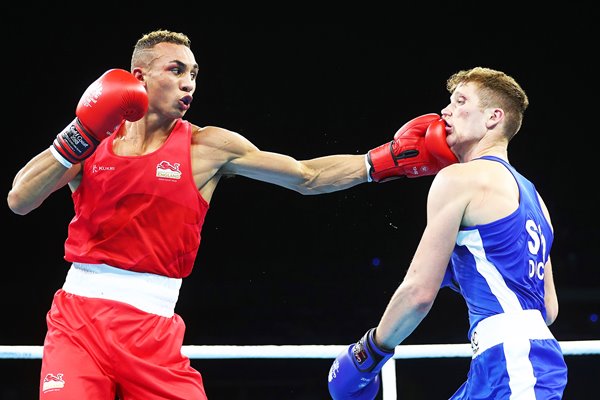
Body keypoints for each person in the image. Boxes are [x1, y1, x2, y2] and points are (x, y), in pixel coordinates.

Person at [7, 29, 457, 400]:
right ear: (138, 77)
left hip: (152, 330)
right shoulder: (93, 138)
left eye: (195, 74)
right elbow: (19, 200)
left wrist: (380, 162)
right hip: (77, 320)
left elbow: (305, 175)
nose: (190, 83)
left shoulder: (207, 146)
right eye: (176, 70)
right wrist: (81, 132)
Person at [328, 66, 568, 400]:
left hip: (512, 365)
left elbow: (418, 294)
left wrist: (370, 352)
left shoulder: (459, 179)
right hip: (513, 361)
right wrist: (469, 272)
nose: (445, 111)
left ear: (493, 117)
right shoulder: (535, 198)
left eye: (460, 101)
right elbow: (548, 309)